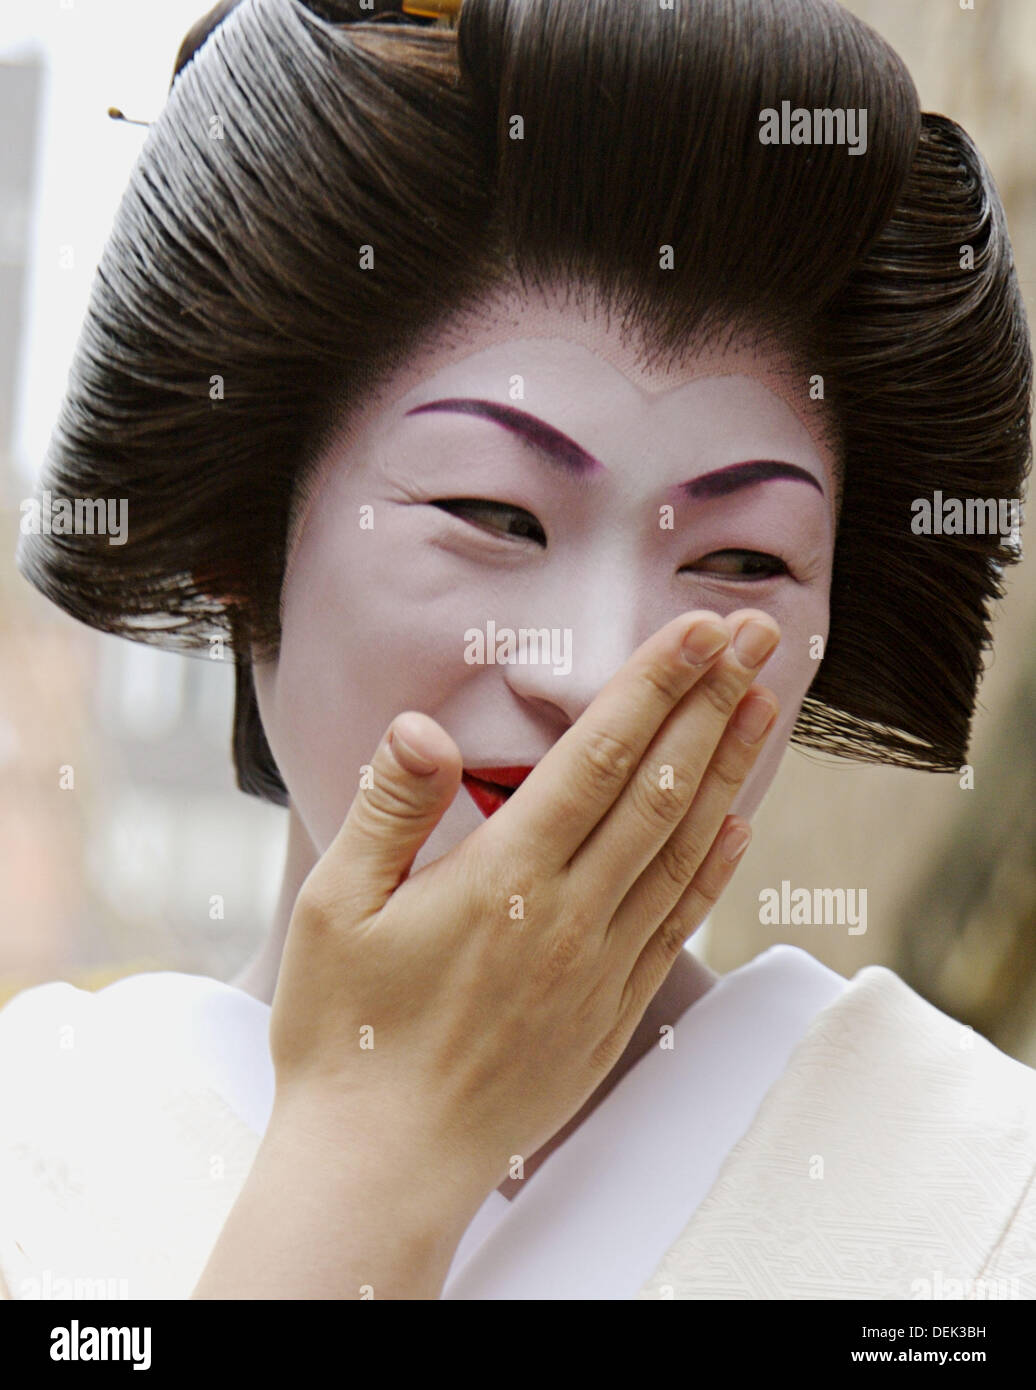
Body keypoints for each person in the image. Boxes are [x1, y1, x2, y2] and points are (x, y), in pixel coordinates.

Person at [1, 0, 1033, 1300]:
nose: (598, 670)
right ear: (243, 540)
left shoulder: (980, 1196)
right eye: (494, 515)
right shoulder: (35, 1157)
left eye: (743, 560)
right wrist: (374, 1154)